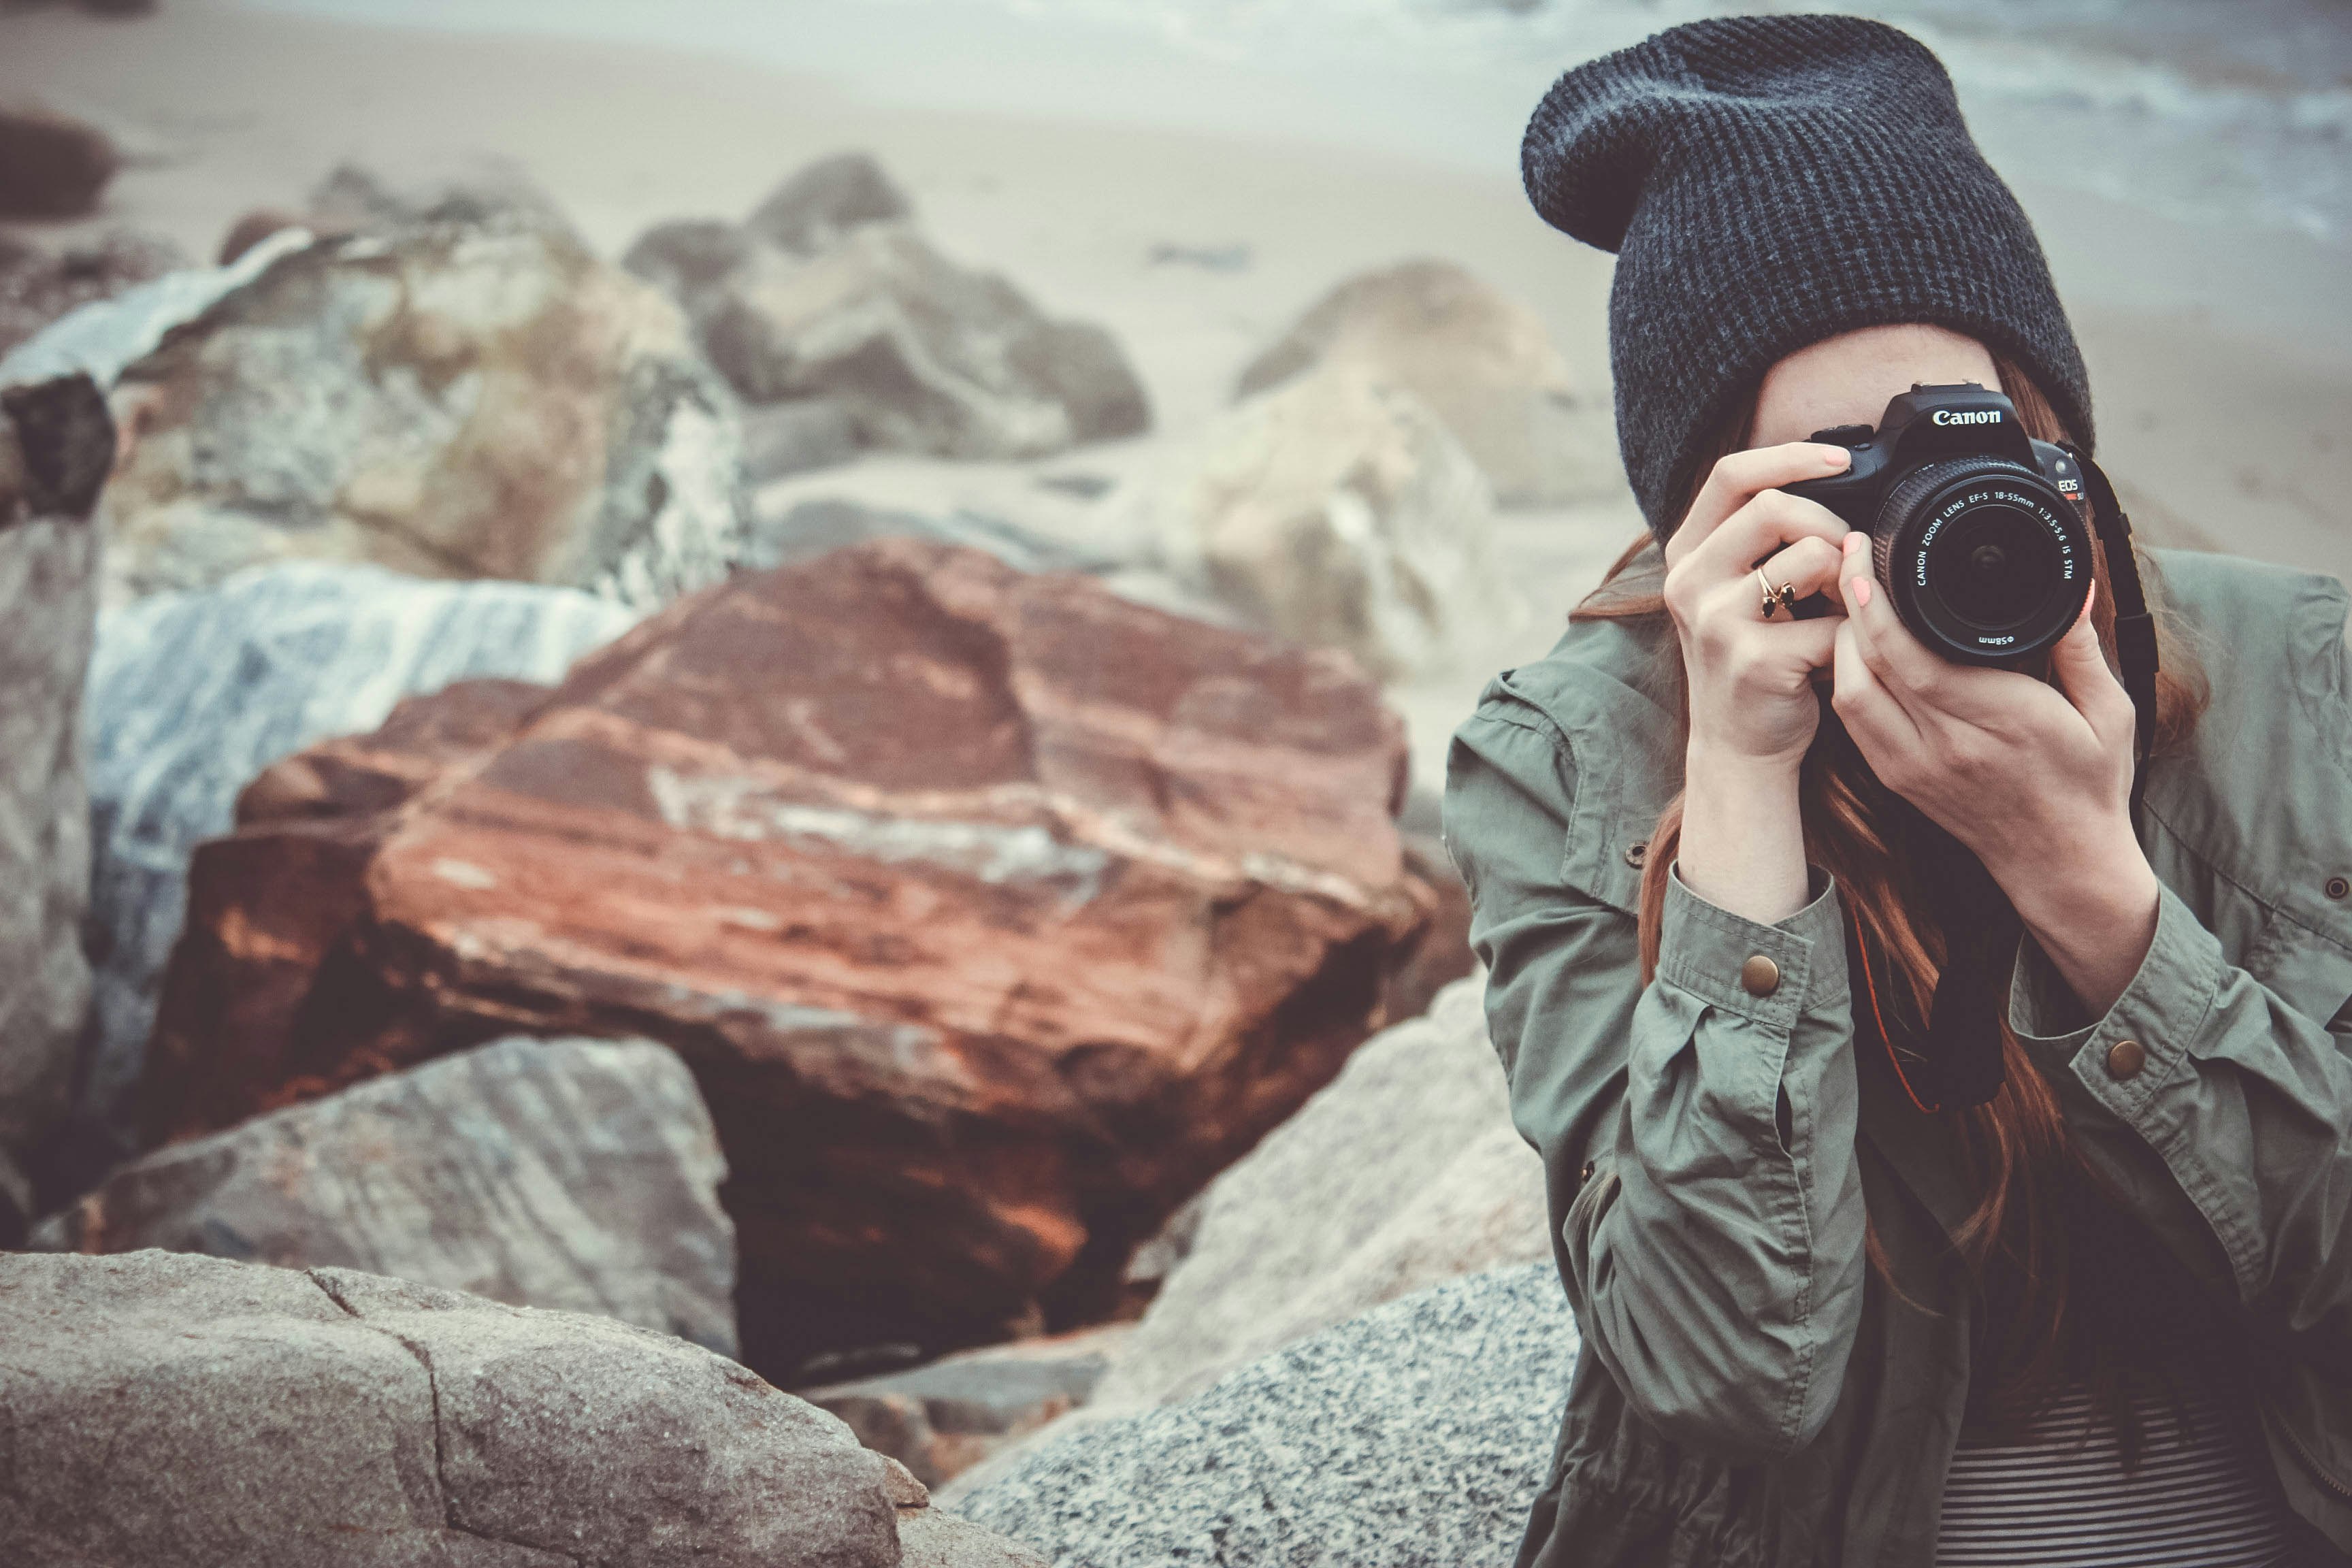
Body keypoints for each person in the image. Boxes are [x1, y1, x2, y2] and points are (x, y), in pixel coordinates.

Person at [1444, 16, 2352, 1568]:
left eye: (1982, 437)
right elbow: (1719, 1372)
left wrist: (2089, 889)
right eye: (1844, 470)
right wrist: (1741, 784)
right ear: (1709, 519)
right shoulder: (1575, 759)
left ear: (2063, 440)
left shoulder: (2308, 678)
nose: (1935, 506)